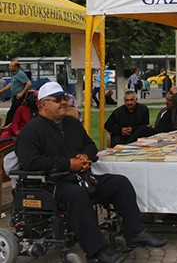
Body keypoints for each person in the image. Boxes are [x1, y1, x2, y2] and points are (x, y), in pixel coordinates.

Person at [15, 82, 166, 263]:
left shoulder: (71, 123)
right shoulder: (32, 130)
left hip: (80, 177)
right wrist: (67, 164)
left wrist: (85, 156)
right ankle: (96, 251)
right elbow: (29, 161)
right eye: (57, 100)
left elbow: (90, 145)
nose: (64, 102)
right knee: (76, 194)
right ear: (42, 105)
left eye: (64, 98)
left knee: (119, 183)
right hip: (51, 183)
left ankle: (136, 233)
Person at [0, 60, 32, 124]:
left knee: (11, 113)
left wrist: (21, 93)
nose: (9, 68)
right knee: (15, 112)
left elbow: (28, 83)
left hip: (19, 96)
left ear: (16, 67)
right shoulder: (14, 74)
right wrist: (2, 90)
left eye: (10, 66)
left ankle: (7, 126)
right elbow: (11, 84)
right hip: (15, 96)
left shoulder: (20, 74)